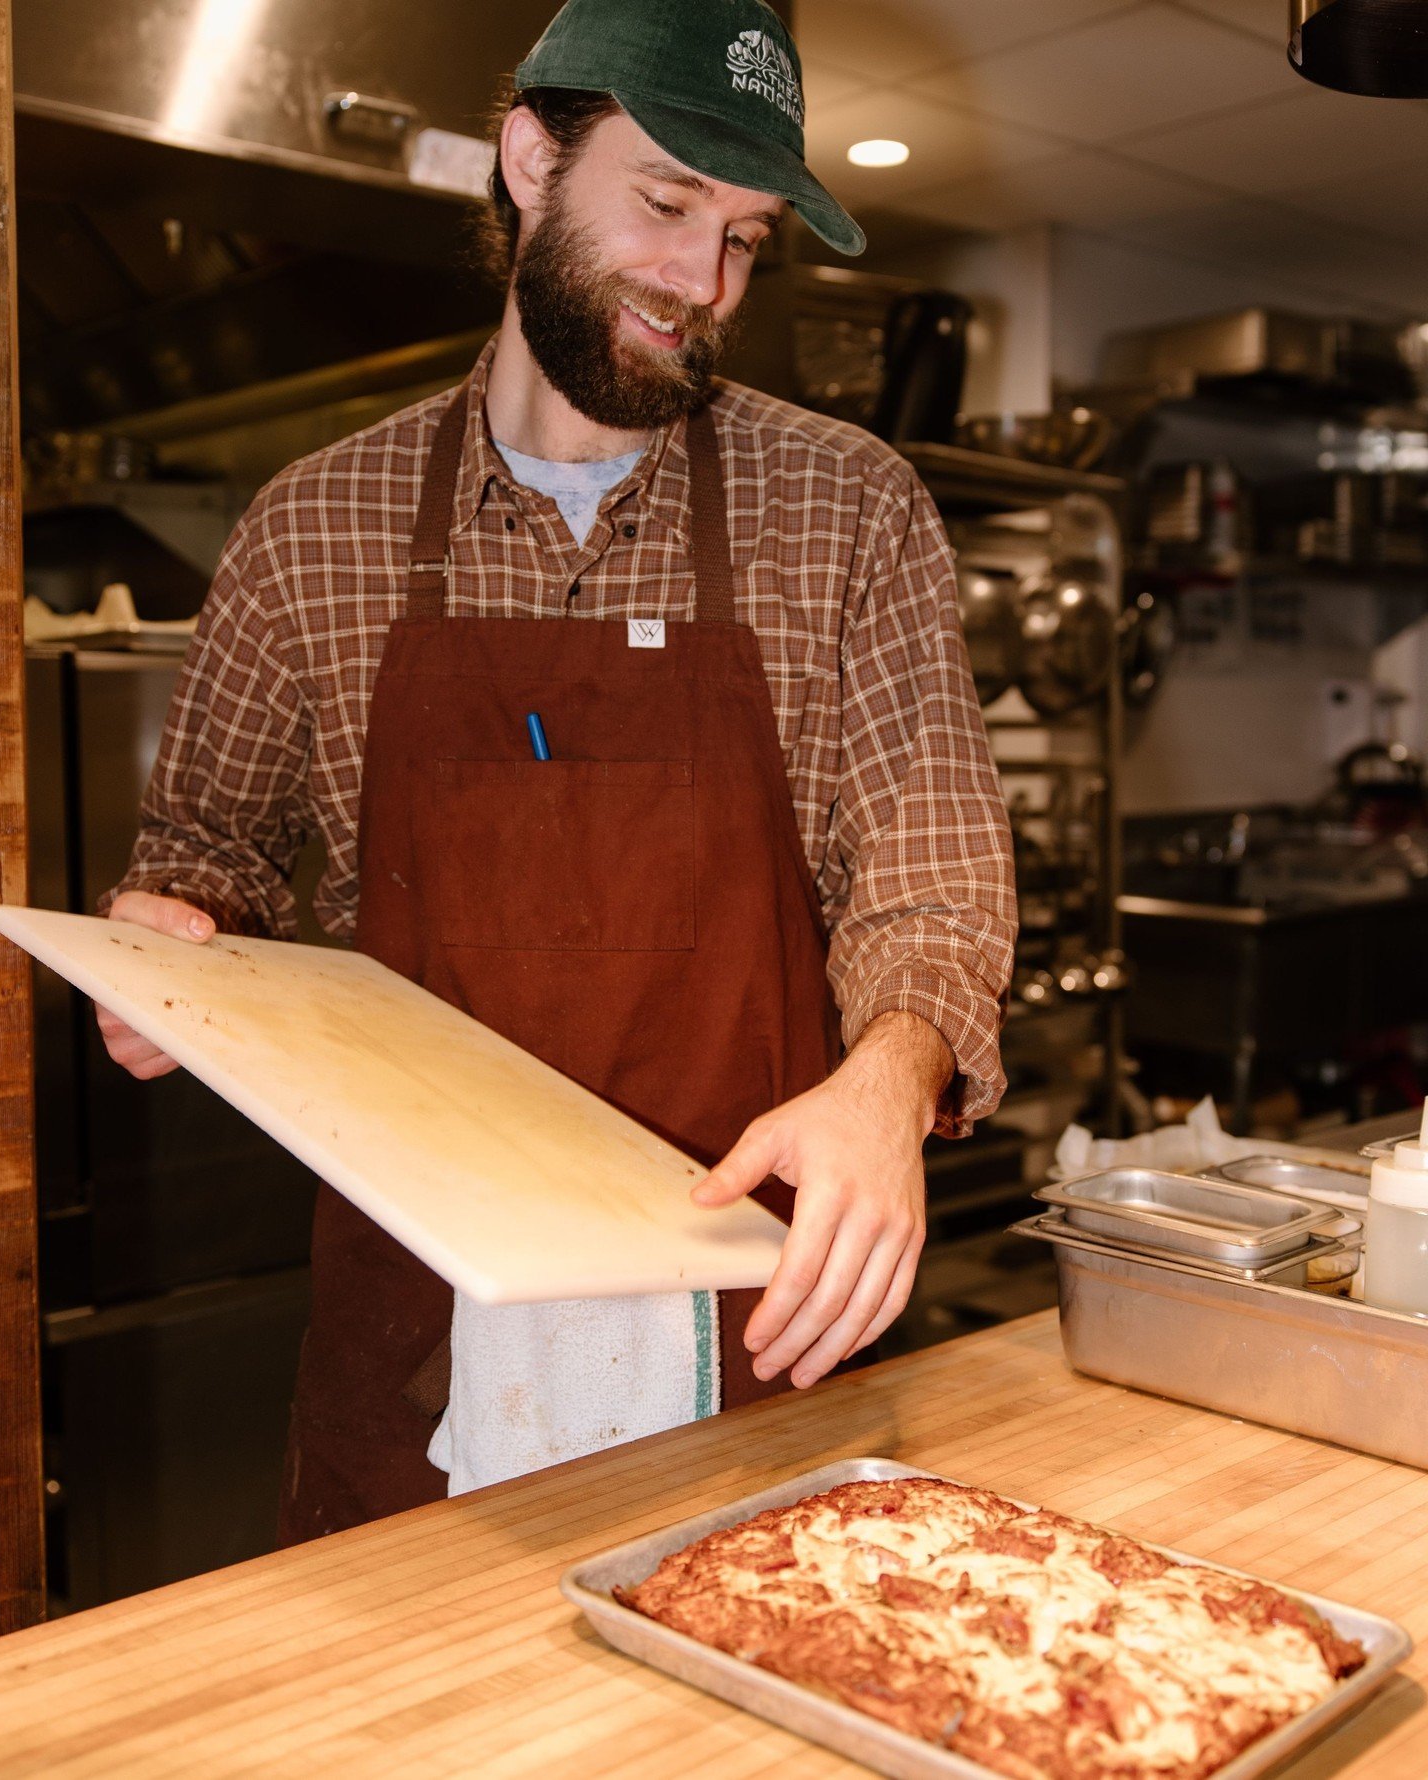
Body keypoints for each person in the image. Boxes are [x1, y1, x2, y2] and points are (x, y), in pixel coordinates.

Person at [100, 0, 1016, 1542]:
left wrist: (887, 1081)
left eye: (743, 237)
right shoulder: (313, 527)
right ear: (531, 156)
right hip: (422, 1356)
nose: (702, 283)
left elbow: (926, 870)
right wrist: (172, 933)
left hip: (757, 1328)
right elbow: (209, 849)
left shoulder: (850, 508)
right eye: (666, 204)